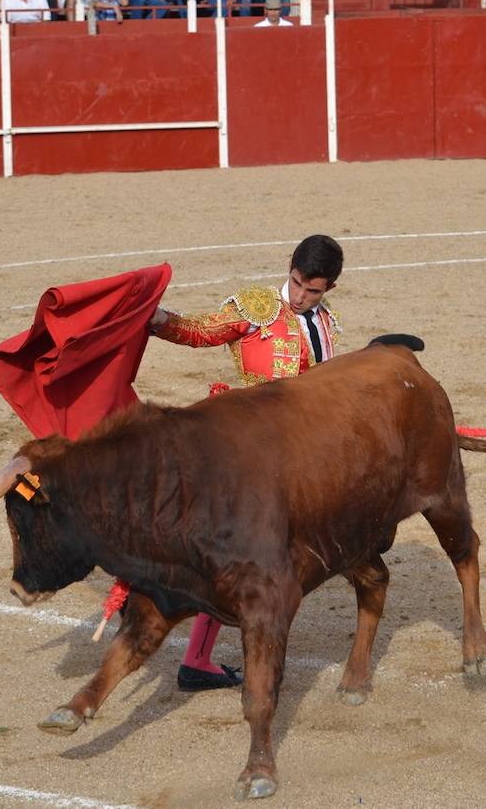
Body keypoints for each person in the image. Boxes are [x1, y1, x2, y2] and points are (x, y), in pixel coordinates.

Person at [148, 234, 345, 692]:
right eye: (296, 283)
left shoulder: (327, 321)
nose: (299, 296)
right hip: (245, 449)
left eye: (311, 290)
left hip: (295, 454)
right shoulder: (256, 306)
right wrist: (157, 320)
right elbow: (201, 331)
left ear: (328, 289)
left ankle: (197, 658)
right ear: (289, 269)